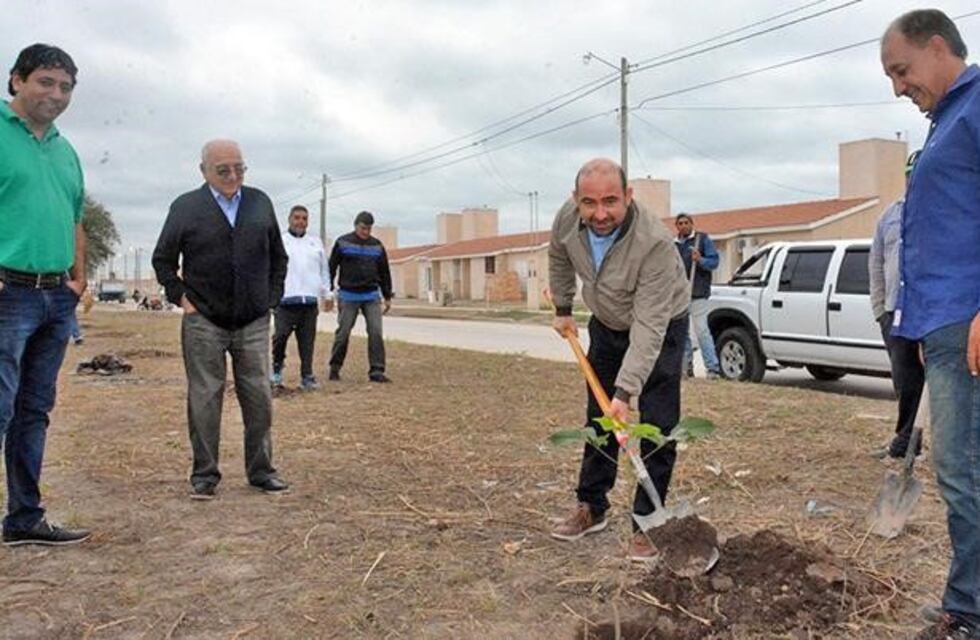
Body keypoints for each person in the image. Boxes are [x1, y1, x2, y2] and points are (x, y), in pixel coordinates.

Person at [881, 10, 980, 639]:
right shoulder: (946, 121)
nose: (897, 87)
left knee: (962, 470)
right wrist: (921, 330)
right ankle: (965, 596)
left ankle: (970, 612)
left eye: (902, 70)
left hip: (967, 319)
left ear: (938, 48)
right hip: (942, 324)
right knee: (964, 470)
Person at [548, 158, 689, 561]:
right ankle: (591, 506)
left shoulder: (655, 244)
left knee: (658, 423)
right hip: (607, 323)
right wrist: (563, 306)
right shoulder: (567, 220)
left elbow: (648, 327)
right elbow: (558, 254)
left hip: (660, 326)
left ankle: (648, 521)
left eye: (611, 201)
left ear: (628, 196)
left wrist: (626, 392)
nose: (600, 214)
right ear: (576, 200)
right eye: (589, 203)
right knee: (599, 417)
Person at [152, 139, 290, 500]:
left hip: (254, 321)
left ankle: (261, 471)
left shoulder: (260, 202)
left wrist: (270, 300)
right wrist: (181, 297)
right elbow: (163, 261)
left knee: (259, 396)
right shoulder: (185, 207)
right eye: (223, 170)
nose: (233, 176)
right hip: (204, 322)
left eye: (239, 169)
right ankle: (204, 474)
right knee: (205, 398)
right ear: (204, 171)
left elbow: (279, 257)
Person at [0, 44, 90, 546]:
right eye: (45, 82)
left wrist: (78, 279)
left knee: (34, 411)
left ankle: (24, 519)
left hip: (55, 299)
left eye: (65, 86)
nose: (56, 94)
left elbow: (75, 217)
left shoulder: (65, 149)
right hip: (6, 294)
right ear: (16, 80)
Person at [868, 151, 925, 461]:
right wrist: (880, 311)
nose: (913, 177)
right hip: (895, 313)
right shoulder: (889, 216)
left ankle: (937, 446)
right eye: (909, 172)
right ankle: (906, 442)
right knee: (905, 380)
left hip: (931, 313)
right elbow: (876, 263)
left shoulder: (940, 213)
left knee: (944, 384)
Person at [325, 211, 393, 383]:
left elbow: (384, 272)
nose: (366, 232)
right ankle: (335, 367)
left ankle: (377, 370)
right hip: (348, 295)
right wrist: (328, 291)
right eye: (363, 228)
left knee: (376, 332)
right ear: (356, 225)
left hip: (371, 295)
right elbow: (331, 268)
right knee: (343, 332)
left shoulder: (377, 246)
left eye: (369, 229)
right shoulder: (342, 242)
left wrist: (387, 295)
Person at [272, 205, 330, 392]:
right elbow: (270, 269)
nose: (300, 222)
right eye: (297, 217)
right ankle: (276, 371)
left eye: (304, 218)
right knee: (280, 337)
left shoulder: (315, 243)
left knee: (307, 341)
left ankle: (307, 376)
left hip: (309, 302)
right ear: (289, 219)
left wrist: (327, 293)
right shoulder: (280, 241)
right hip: (285, 301)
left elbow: (324, 270)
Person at [674, 213, 721, 379]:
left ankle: (713, 368)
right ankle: (686, 368)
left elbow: (714, 262)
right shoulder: (674, 245)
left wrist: (700, 259)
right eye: (680, 223)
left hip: (698, 293)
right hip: (680, 295)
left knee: (702, 331)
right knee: (682, 333)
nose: (683, 225)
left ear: (692, 224)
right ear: (677, 226)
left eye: (686, 222)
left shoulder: (702, 240)